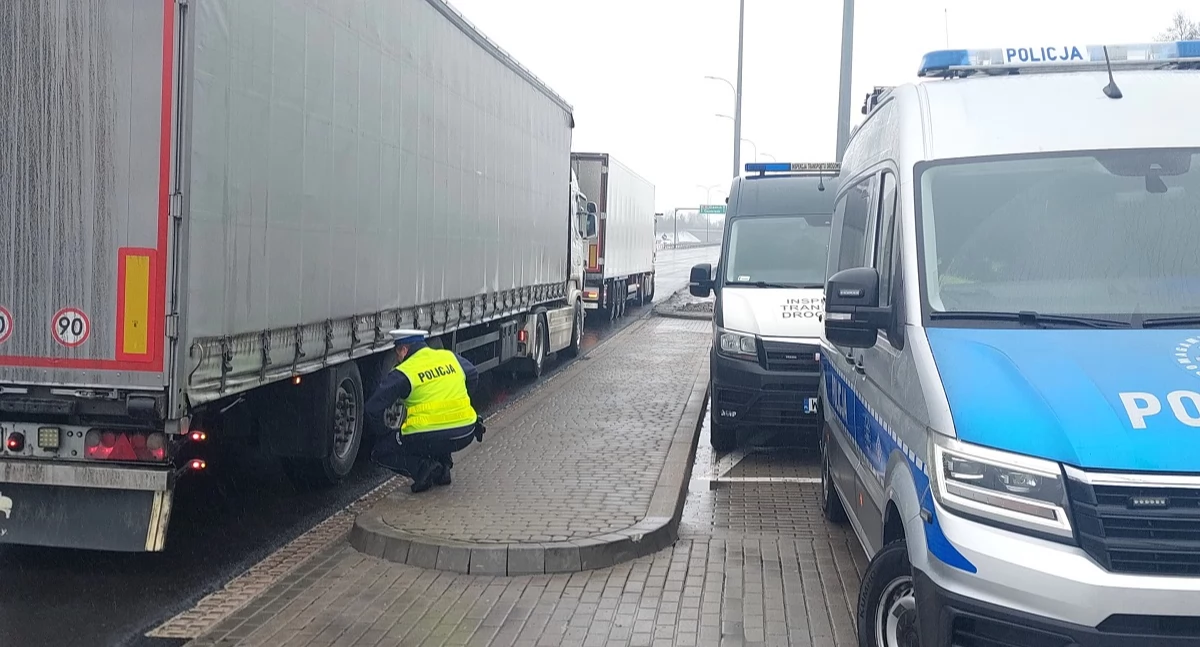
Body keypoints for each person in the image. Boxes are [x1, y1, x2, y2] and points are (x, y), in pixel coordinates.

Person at [365, 329, 485, 493]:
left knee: (380, 452)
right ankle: (443, 469)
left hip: (426, 436)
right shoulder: (448, 357)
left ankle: (424, 470)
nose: (398, 358)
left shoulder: (405, 371)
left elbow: (373, 408)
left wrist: (385, 432)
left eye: (397, 353)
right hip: (465, 432)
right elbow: (473, 375)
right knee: (441, 430)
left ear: (404, 350)